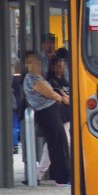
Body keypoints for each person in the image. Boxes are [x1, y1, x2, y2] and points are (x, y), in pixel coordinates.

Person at [23, 51, 70, 186]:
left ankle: (64, 176)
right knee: (56, 144)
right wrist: (58, 97)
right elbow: (49, 93)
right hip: (47, 112)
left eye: (37, 61)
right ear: (27, 64)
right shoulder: (31, 78)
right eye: (31, 61)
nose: (35, 64)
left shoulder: (39, 77)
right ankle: (62, 178)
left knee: (60, 143)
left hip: (52, 111)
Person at [36, 52, 71, 182]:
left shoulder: (65, 81)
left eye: (64, 65)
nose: (63, 68)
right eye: (61, 65)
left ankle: (38, 175)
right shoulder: (51, 82)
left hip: (67, 118)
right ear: (55, 67)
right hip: (59, 118)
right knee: (62, 145)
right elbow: (63, 99)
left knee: (51, 147)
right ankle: (65, 176)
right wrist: (66, 99)